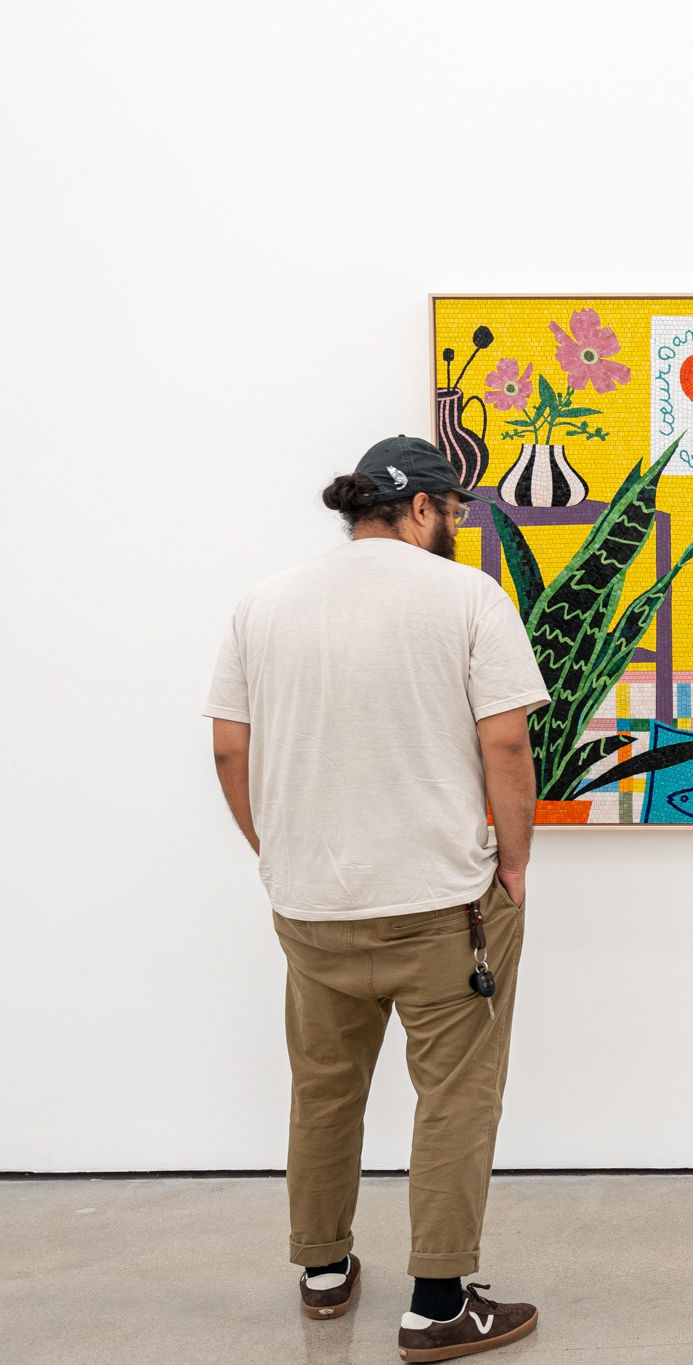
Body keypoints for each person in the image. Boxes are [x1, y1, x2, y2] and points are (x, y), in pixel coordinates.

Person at [203, 436, 551, 1361]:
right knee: (455, 1098)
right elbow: (507, 743)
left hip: (311, 907)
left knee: (323, 1088)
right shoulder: (469, 598)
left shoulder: (262, 604)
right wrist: (513, 861)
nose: (459, 527)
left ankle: (322, 1272)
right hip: (442, 903)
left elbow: (229, 749)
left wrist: (273, 847)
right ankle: (437, 1305)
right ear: (425, 507)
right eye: (457, 512)